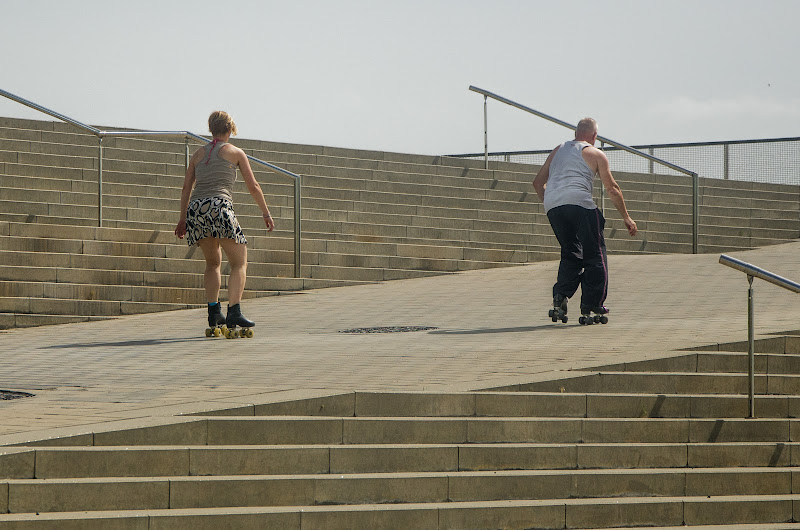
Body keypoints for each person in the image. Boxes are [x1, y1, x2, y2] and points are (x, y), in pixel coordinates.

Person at [174, 111, 275, 335]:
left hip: (196, 209)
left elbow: (186, 188)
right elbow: (253, 186)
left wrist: (183, 219)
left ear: (211, 129)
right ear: (230, 129)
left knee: (212, 263)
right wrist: (266, 213)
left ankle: (213, 312)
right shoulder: (236, 152)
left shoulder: (197, 154)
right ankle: (234, 311)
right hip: (219, 206)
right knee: (239, 262)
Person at [532, 117, 637, 321]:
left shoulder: (558, 149)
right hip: (580, 204)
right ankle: (592, 303)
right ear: (594, 136)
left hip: (553, 206)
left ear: (575, 133)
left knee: (571, 253)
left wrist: (555, 203)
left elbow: (537, 183)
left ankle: (560, 296)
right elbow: (612, 189)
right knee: (595, 254)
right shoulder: (596, 153)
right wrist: (626, 217)